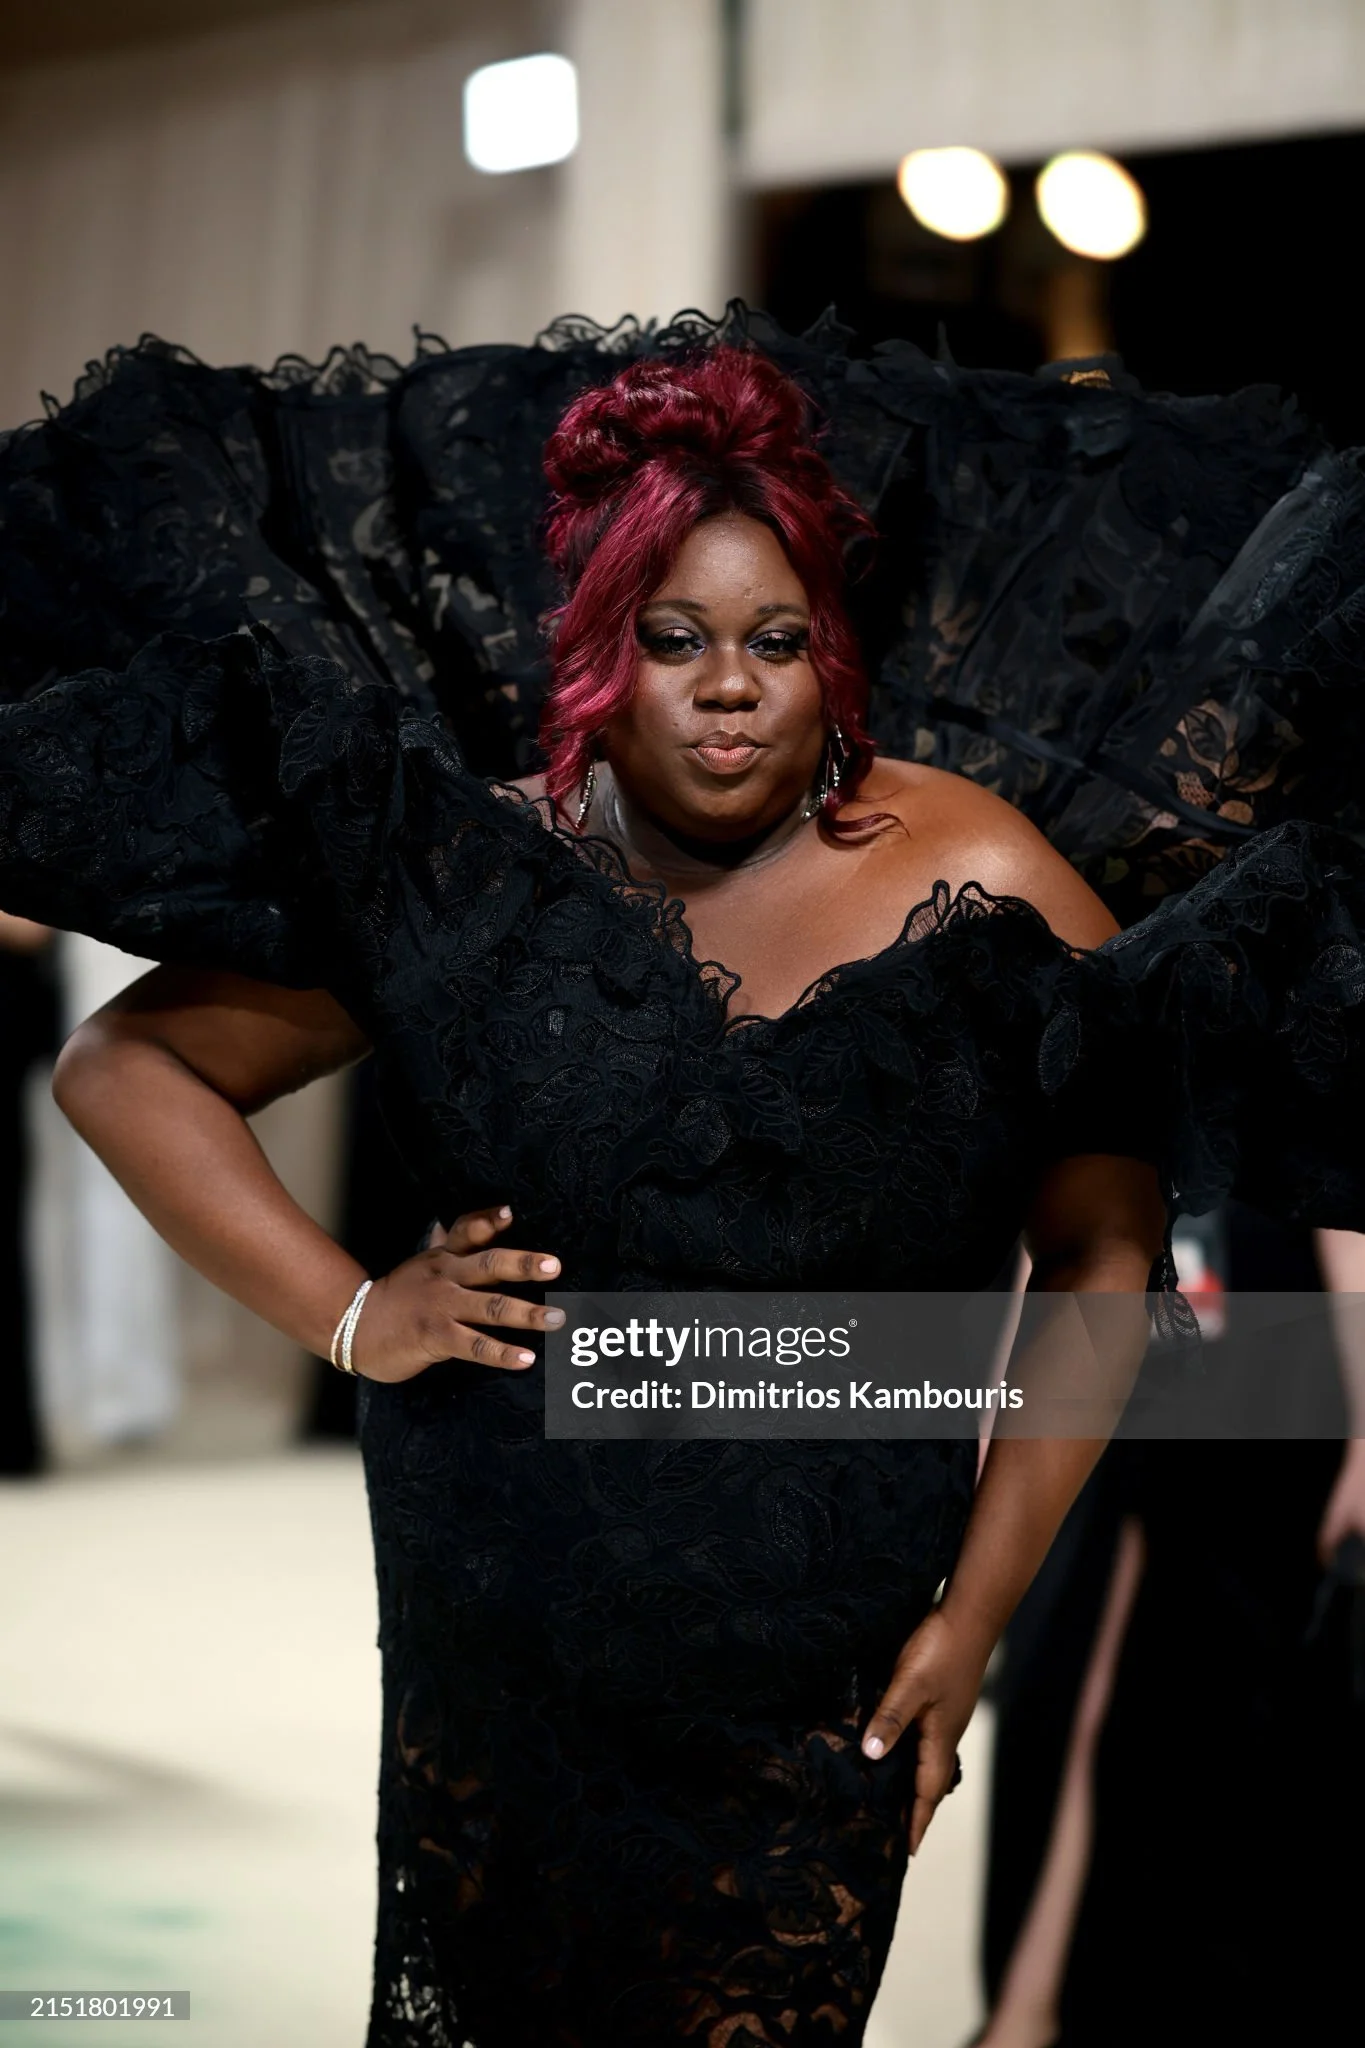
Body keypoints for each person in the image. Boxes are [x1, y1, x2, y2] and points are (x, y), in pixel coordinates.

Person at [3, 317, 1365, 2045]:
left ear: (833, 658)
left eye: (778, 641)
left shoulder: (981, 874)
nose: (731, 685)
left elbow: (1102, 1258)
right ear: (602, 654)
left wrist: (977, 1622)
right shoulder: (484, 868)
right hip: (504, 1622)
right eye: (678, 639)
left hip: (821, 1662)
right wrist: (347, 1313)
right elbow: (127, 1066)